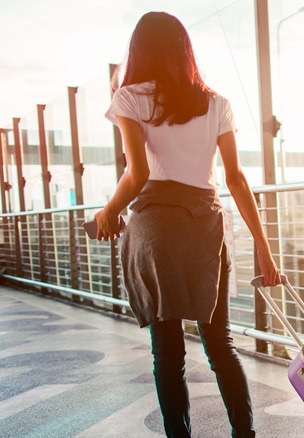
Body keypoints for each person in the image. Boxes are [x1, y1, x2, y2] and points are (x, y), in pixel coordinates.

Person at [94, 11, 280, 438]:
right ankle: (244, 434)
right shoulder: (216, 102)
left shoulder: (129, 98)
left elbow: (137, 173)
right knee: (221, 346)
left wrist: (108, 212)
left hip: (156, 230)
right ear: (184, 50)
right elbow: (234, 179)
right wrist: (263, 247)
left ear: (138, 51)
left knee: (168, 354)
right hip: (205, 230)